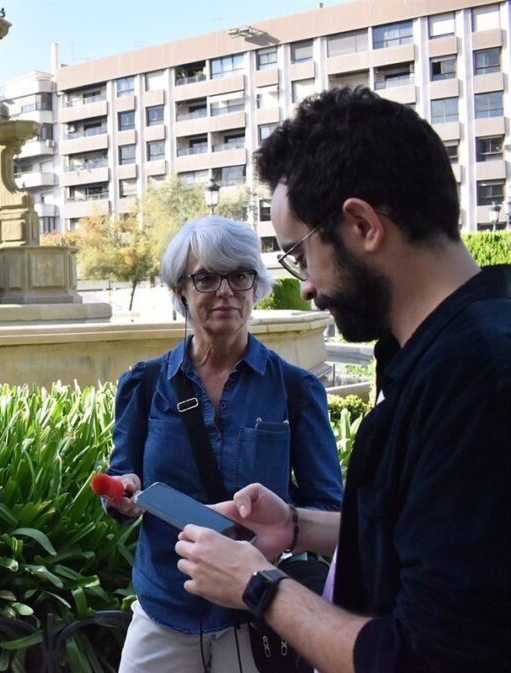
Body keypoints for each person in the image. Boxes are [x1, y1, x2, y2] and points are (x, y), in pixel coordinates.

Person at [175, 86, 511, 673]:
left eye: (299, 256)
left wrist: (258, 587)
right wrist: (299, 526)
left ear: (362, 224)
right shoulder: (450, 347)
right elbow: (429, 540)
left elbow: (426, 655)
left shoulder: (477, 380)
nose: (303, 286)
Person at [104, 216, 343, 673]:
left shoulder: (294, 389)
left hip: (254, 612)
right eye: (207, 278)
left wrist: (266, 550)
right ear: (181, 292)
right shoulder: (145, 383)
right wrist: (123, 496)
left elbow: (326, 506)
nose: (226, 291)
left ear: (256, 288)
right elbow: (122, 481)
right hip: (164, 609)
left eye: (240, 276)